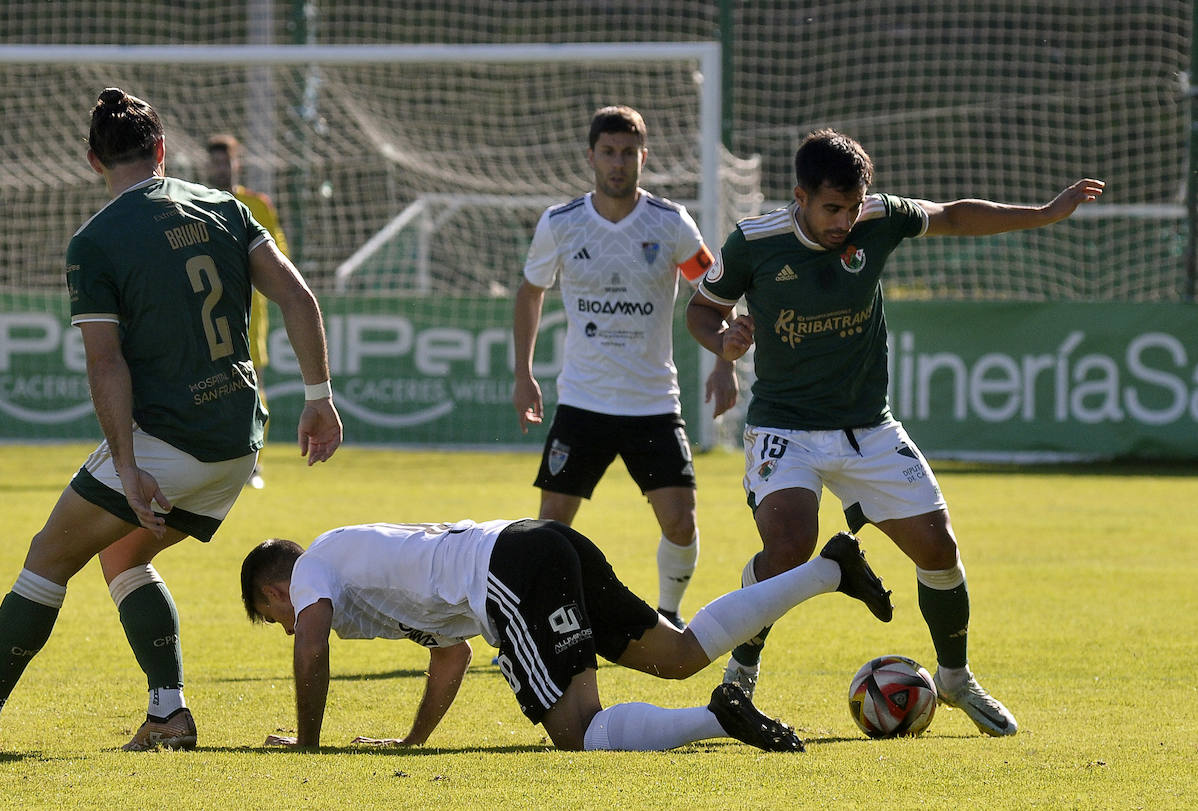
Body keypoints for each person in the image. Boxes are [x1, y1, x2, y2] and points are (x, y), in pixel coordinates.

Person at [0, 87, 342, 751]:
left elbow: (105, 365)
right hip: (237, 442)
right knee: (122, 553)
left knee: (48, 555)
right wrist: (319, 395)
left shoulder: (96, 240)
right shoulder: (225, 207)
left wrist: (130, 469)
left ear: (91, 161)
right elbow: (299, 296)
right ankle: (168, 714)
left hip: (172, 440)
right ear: (162, 149)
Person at [686, 128, 1106, 737]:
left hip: (868, 428)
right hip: (786, 426)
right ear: (800, 196)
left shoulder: (876, 220)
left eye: (855, 206)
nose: (846, 221)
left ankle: (956, 678)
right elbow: (703, 308)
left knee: (940, 549)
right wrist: (721, 346)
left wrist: (1043, 213)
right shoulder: (756, 241)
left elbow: (954, 216)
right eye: (833, 208)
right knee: (789, 547)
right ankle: (740, 673)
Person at [240, 519, 894, 752]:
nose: (287, 621)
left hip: (512, 569)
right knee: (682, 653)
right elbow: (452, 653)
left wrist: (308, 740)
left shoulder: (312, 567)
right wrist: (412, 740)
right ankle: (829, 568)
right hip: (541, 543)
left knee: (579, 731)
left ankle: (721, 720)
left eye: (275, 617)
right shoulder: (366, 570)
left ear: (275, 591)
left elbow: (311, 643)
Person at [513, 105, 739, 630]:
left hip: (652, 403)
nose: (619, 162)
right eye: (609, 152)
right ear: (591, 156)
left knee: (681, 522)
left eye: (629, 153)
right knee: (550, 527)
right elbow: (531, 292)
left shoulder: (670, 224)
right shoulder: (561, 223)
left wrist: (724, 361)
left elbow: (713, 290)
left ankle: (668, 615)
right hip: (583, 402)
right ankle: (535, 622)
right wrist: (524, 374)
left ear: (644, 157)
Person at [205, 133, 289, 489]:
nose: (219, 167)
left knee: (251, 390)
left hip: (247, 315)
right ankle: (209, 462)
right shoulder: (193, 203)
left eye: (225, 161)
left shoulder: (258, 206)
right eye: (213, 161)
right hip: (203, 312)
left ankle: (252, 464)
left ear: (236, 164)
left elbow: (280, 258)